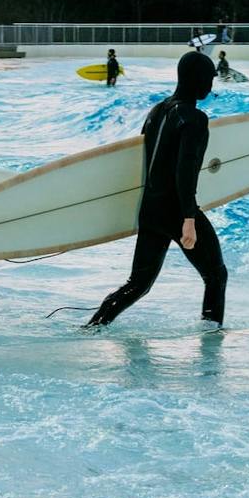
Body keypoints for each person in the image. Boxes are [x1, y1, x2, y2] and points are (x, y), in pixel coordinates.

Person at [85, 51, 227, 329]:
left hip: (151, 208)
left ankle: (93, 327)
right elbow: (184, 172)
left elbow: (142, 158)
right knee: (215, 275)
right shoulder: (194, 119)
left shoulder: (157, 111)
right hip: (177, 210)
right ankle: (211, 336)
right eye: (208, 79)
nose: (211, 87)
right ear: (197, 79)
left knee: (138, 284)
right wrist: (188, 220)